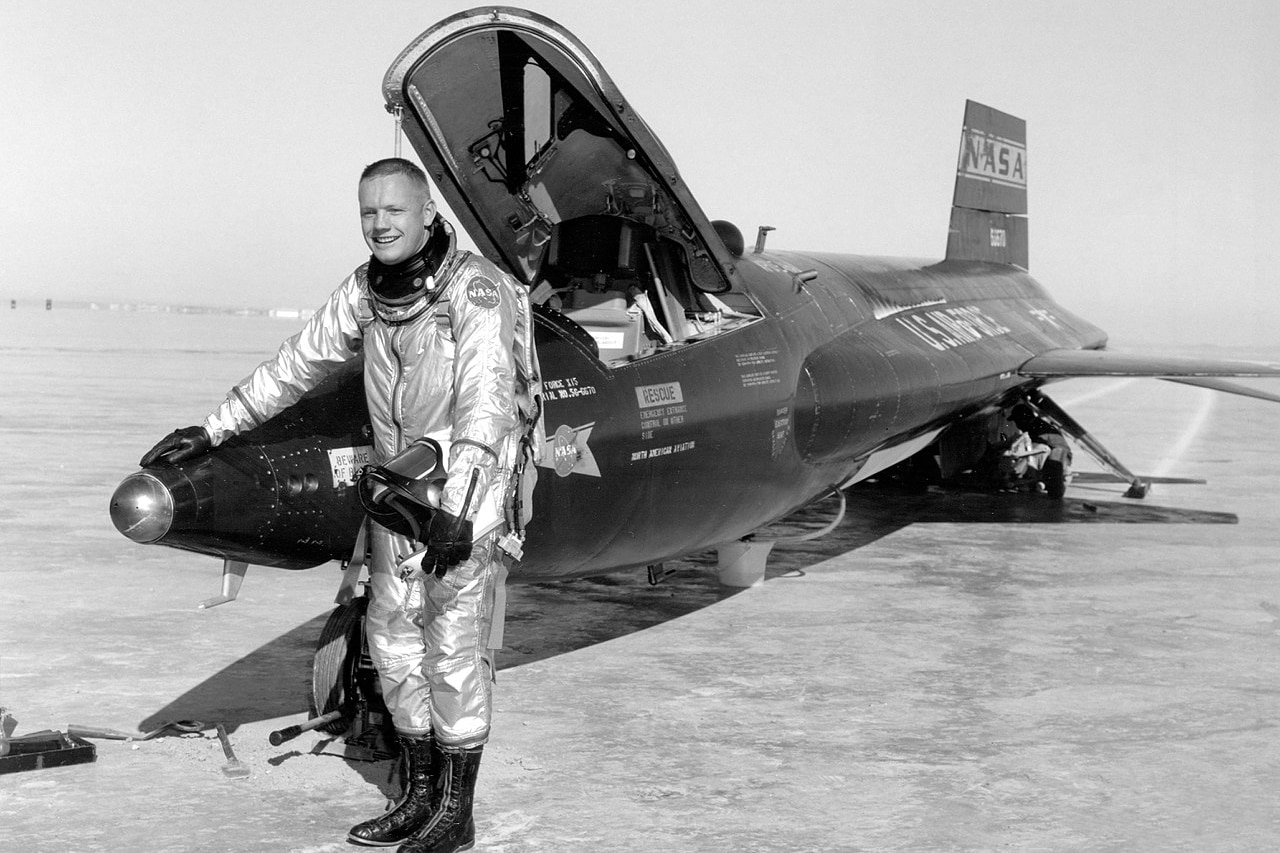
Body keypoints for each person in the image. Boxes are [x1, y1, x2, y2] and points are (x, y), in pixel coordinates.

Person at [140, 158, 540, 853]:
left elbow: (486, 401)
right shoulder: (367, 290)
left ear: (424, 213)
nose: (380, 224)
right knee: (390, 642)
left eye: (394, 211)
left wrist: (464, 507)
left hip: (461, 498)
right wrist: (213, 428)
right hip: (398, 496)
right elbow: (297, 362)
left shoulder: (473, 290)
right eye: (368, 212)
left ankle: (455, 810)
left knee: (452, 652)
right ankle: (415, 795)